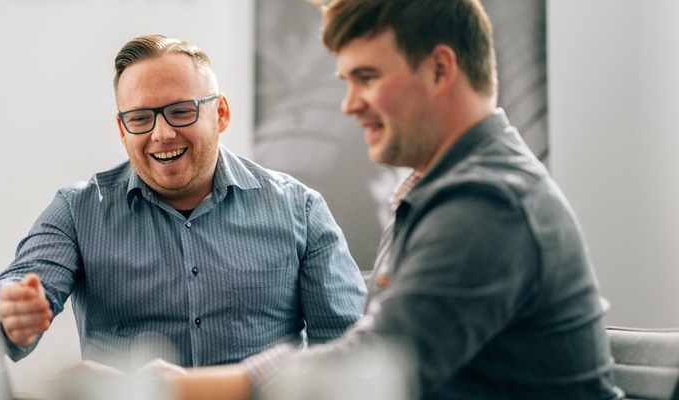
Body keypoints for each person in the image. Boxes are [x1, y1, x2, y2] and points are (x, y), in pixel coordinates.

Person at [149, 0, 623, 399]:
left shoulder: (487, 204)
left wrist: (182, 388)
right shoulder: (445, 190)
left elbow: (374, 368)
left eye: (368, 77)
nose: (349, 103)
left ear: (440, 68)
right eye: (347, 81)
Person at [0, 34, 367, 371]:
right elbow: (13, 288)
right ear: (122, 130)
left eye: (181, 111)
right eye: (140, 118)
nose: (163, 134)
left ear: (220, 113)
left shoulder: (299, 208)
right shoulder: (78, 210)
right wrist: (9, 310)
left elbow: (349, 352)